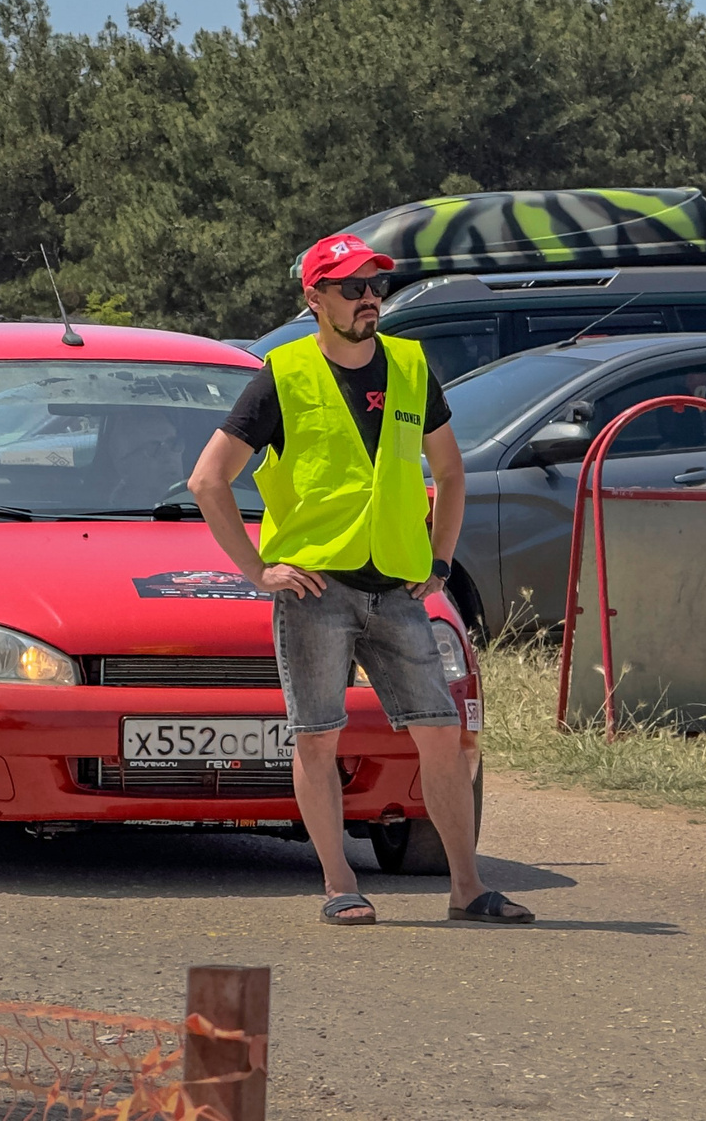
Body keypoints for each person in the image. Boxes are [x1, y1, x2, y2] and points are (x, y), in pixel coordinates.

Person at [186, 233, 531, 927]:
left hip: (399, 590)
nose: (370, 298)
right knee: (317, 735)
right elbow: (207, 479)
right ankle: (339, 882)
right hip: (316, 592)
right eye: (352, 288)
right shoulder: (281, 376)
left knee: (442, 732)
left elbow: (451, 474)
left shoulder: (408, 364)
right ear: (314, 299)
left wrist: (437, 564)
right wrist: (259, 571)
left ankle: (467, 889)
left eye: (376, 286)